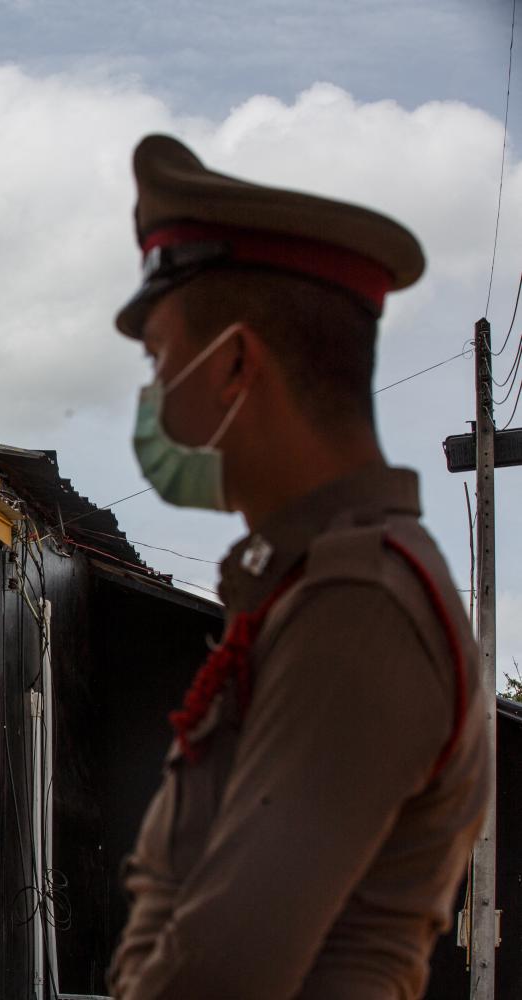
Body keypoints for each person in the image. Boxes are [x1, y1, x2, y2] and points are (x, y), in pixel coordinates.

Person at [107, 135, 491, 999]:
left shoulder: (358, 606)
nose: (155, 395)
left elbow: (221, 972)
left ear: (237, 365)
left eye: (161, 360)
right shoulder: (307, 588)